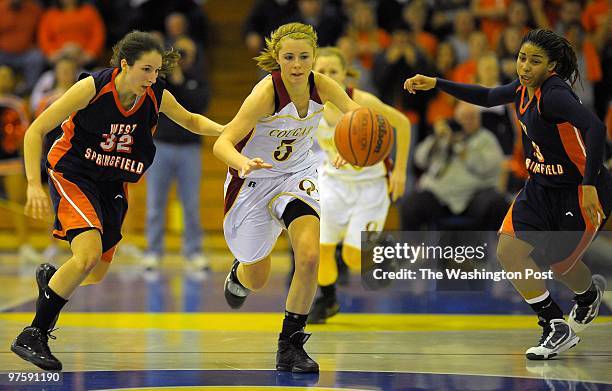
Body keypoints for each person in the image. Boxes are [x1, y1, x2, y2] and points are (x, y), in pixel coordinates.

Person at [10, 30, 223, 371]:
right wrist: (33, 185)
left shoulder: (155, 95)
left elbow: (190, 120)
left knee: (93, 272)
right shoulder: (92, 88)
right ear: (125, 65)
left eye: (156, 71)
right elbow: (36, 129)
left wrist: (229, 130)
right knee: (87, 255)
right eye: (146, 70)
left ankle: (51, 282)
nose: (152, 78)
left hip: (112, 182)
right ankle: (33, 334)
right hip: (73, 172)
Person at [404, 28, 611, 360]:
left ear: (552, 66)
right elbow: (486, 97)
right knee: (510, 252)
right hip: (540, 186)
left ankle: (587, 296)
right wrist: (438, 83)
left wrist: (588, 184)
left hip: (580, 190)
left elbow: (596, 128)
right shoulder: (522, 89)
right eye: (522, 58)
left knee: (559, 263)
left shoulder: (555, 95)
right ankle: (554, 325)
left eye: (535, 61)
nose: (525, 67)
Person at [213, 22, 360, 373]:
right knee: (258, 277)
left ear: (314, 57)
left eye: (304, 57)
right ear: (277, 57)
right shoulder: (266, 93)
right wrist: (242, 162)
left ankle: (290, 345)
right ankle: (240, 274)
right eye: (289, 56)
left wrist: (355, 143)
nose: (297, 64)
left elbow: (357, 115)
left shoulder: (322, 85)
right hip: (253, 179)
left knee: (309, 256)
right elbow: (222, 143)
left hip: (297, 175)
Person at [308, 46, 411, 323]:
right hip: (333, 182)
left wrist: (399, 171)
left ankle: (384, 250)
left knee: (355, 261)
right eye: (322, 70)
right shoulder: (306, 104)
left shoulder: (361, 100)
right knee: (322, 249)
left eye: (333, 71)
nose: (327, 76)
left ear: (344, 75)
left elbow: (402, 124)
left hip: (370, 185)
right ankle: (327, 300)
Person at [142, 36, 211, 272]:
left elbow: (198, 105)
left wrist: (181, 81)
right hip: (161, 147)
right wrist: (173, 78)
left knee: (190, 204)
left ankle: (193, 252)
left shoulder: (199, 79)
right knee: (154, 204)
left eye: (187, 53)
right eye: (178, 54)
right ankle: (153, 252)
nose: (183, 58)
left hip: (190, 149)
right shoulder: (160, 80)